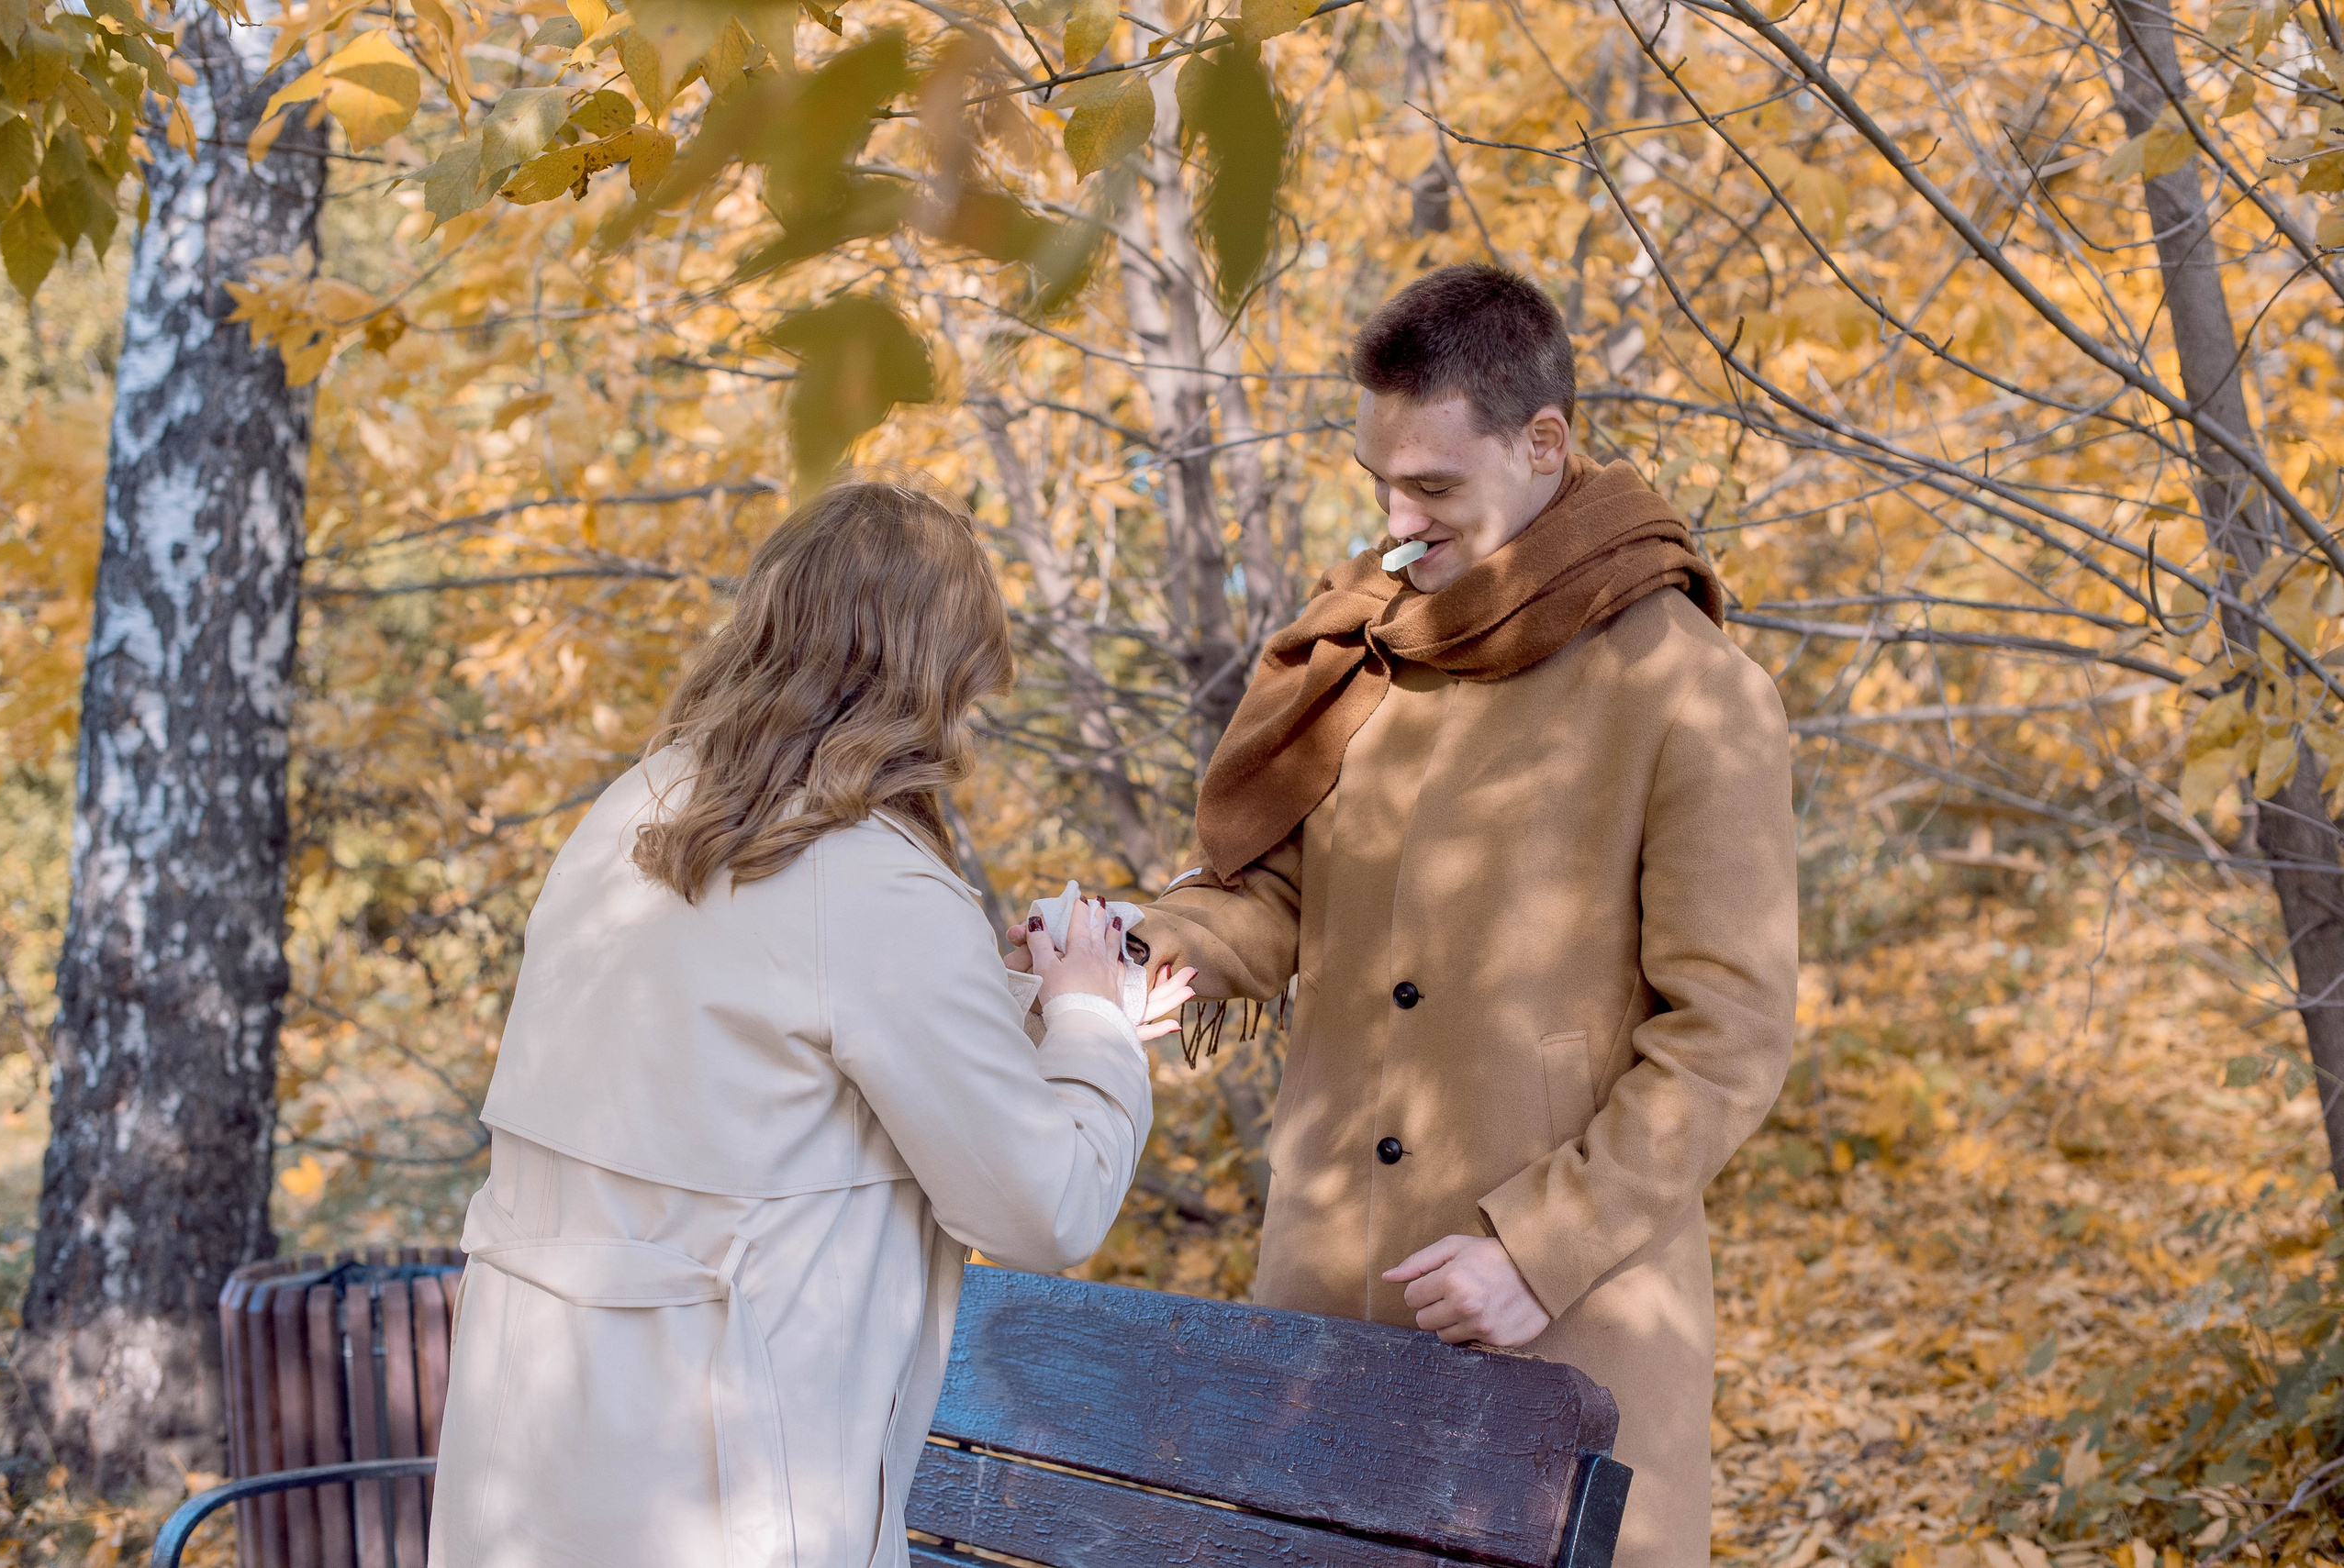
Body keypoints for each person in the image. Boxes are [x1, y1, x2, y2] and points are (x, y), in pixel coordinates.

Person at [1042, 265, 1799, 1567]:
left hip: (1555, 1335)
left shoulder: (1691, 690)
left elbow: (1729, 1035)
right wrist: (1135, 952)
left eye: (1435, 488)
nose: (1397, 521)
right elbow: (1281, 894)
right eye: (1381, 480)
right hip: (1329, 1321)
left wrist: (1536, 1249)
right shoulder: (1373, 644)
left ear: (1545, 445)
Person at [430, 478, 1193, 1568]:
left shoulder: (632, 816)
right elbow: (1047, 1206)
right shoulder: (868, 878)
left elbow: (765, 1081)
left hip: (539, 1487)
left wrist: (1029, 1009)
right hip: (732, 1499)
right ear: (928, 682)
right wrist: (1086, 1022)